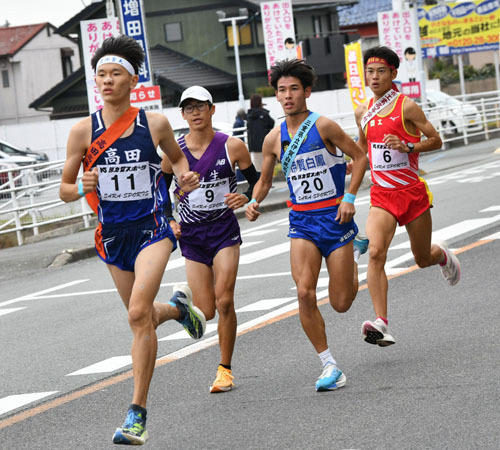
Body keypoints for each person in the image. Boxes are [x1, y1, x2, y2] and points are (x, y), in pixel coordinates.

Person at [59, 35, 205, 446]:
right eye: (101, 75)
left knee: (138, 313)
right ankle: (178, 310)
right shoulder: (82, 131)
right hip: (112, 236)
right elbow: (65, 190)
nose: (106, 81)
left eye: (115, 74)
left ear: (132, 80)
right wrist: (80, 185)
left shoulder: (153, 123)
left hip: (152, 229)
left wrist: (184, 178)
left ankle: (136, 413)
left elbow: (177, 161)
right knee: (140, 317)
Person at [246, 59, 369, 391]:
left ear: (307, 92)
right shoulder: (274, 138)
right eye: (282, 90)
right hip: (301, 222)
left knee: (342, 303)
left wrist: (350, 198)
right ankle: (329, 364)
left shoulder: (324, 126)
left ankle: (355, 252)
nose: (288, 96)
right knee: (304, 291)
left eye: (294, 89)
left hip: (336, 219)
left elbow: (360, 158)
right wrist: (253, 201)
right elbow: (264, 181)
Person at [354, 45, 461, 347]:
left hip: (411, 193)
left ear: (393, 74)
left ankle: (442, 255)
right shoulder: (362, 112)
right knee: (375, 252)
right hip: (382, 196)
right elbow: (362, 148)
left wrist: (408, 146)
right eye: (370, 72)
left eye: (381, 72)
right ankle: (381, 323)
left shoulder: (407, 107)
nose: (374, 77)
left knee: (422, 257)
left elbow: (436, 140)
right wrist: (349, 169)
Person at [162, 85, 260, 393]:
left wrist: (246, 198)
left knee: (225, 300)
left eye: (200, 106)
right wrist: (170, 218)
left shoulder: (233, 146)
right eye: (188, 108)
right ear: (183, 114)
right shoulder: (174, 154)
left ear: (212, 109)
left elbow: (257, 182)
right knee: (206, 311)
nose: (195, 113)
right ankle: (183, 302)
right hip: (192, 236)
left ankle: (225, 370)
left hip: (223, 231)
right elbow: (160, 192)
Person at [246, 93, 275, 172]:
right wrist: (262, 109)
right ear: (260, 102)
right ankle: (268, 184)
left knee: (259, 168)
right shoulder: (264, 114)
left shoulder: (248, 115)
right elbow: (271, 123)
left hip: (254, 146)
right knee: (268, 167)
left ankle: (262, 184)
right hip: (265, 144)